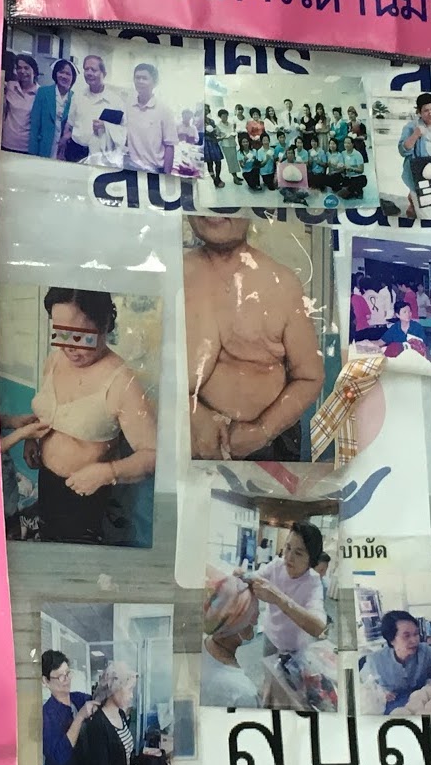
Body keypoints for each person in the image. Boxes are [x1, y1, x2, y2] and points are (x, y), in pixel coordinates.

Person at [184, 216, 326, 461]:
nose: (213, 213)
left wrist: (263, 430)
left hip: (267, 444)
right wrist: (191, 413)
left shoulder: (283, 284)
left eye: (225, 204)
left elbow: (310, 377)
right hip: (188, 443)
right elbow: (149, 378)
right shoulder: (173, 275)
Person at [27, 288, 158, 544]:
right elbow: (46, 409)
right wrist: (32, 438)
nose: (69, 348)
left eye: (80, 336)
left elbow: (153, 456)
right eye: (61, 334)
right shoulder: (55, 360)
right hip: (46, 480)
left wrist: (108, 472)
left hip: (86, 498)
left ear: (104, 324)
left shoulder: (122, 383)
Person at [73, 662, 142, 765]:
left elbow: (128, 753)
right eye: (129, 690)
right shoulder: (97, 726)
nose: (131, 696)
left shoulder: (121, 715)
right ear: (114, 689)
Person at [245, 521, 328, 655]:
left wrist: (278, 598)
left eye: (298, 553)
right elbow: (255, 577)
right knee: (268, 665)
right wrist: (243, 576)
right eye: (288, 548)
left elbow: (319, 628)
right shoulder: (277, 565)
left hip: (294, 645)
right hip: (270, 634)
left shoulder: (313, 581)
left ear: (311, 559)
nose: (289, 557)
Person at [41, 651, 98, 765]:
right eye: (60, 676)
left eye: (68, 673)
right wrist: (79, 717)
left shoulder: (78, 698)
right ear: (45, 681)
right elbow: (59, 756)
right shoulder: (46, 715)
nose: (66, 680)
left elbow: (100, 702)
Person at [201, 572, 262, 709]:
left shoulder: (200, 648)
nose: (256, 624)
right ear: (237, 626)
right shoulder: (243, 693)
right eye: (254, 618)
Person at [397, 92, 431, 219]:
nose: (430, 113)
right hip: (417, 179)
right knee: (425, 217)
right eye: (426, 110)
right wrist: (415, 135)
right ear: (419, 112)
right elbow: (402, 151)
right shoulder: (411, 127)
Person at [67, 53, 127, 165]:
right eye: (86, 69)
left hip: (101, 157)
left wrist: (105, 126)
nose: (89, 73)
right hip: (76, 152)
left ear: (104, 73)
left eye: (94, 70)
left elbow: (124, 131)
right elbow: (69, 125)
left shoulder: (115, 101)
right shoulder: (77, 96)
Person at [120, 62, 177, 175]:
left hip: (154, 169)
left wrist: (166, 175)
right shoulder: (128, 106)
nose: (140, 81)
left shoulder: (164, 110)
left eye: (144, 78)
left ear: (154, 82)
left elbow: (169, 145)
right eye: (137, 78)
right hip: (130, 166)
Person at [27, 58, 77, 160]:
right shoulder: (43, 92)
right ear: (55, 74)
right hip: (43, 147)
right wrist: (32, 153)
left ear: (73, 78)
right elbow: (35, 124)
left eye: (68, 74)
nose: (64, 76)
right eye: (61, 72)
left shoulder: (75, 98)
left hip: (64, 151)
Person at [0, 52, 41, 153]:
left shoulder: (41, 93)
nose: (22, 71)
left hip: (27, 146)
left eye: (26, 68)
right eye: (19, 68)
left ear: (34, 71)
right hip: (6, 143)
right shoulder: (10, 87)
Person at [202, 105, 225, 188]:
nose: (205, 111)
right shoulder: (199, 122)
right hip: (206, 143)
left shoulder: (211, 121)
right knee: (210, 163)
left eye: (207, 110)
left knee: (218, 161)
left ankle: (217, 177)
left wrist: (217, 134)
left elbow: (215, 131)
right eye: (204, 110)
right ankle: (214, 179)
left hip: (213, 142)